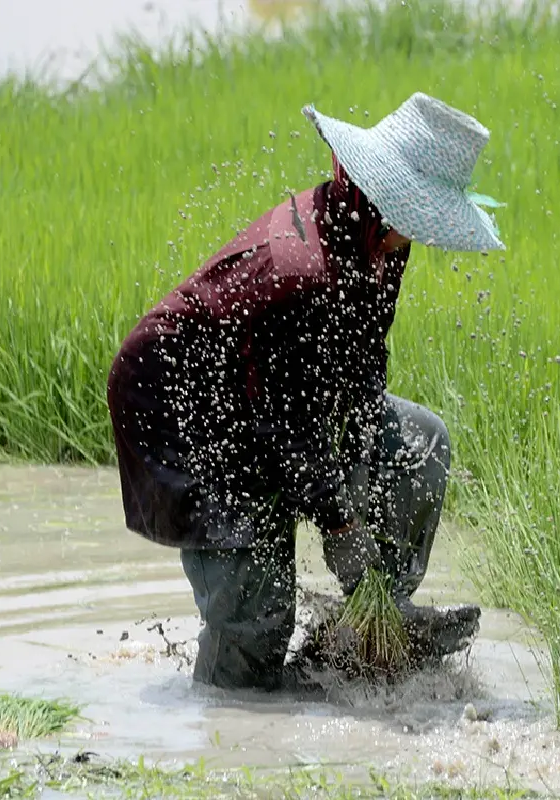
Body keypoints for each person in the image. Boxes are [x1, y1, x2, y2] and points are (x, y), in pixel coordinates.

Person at [106, 92, 506, 692]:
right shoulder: (299, 270)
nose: (419, 237)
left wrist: (367, 442)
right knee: (256, 620)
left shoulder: (380, 243)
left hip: (269, 399)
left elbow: (366, 357)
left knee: (417, 444)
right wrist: (341, 522)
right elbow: (282, 429)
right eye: (418, 220)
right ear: (382, 199)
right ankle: (226, 721)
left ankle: (371, 625)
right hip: (189, 411)